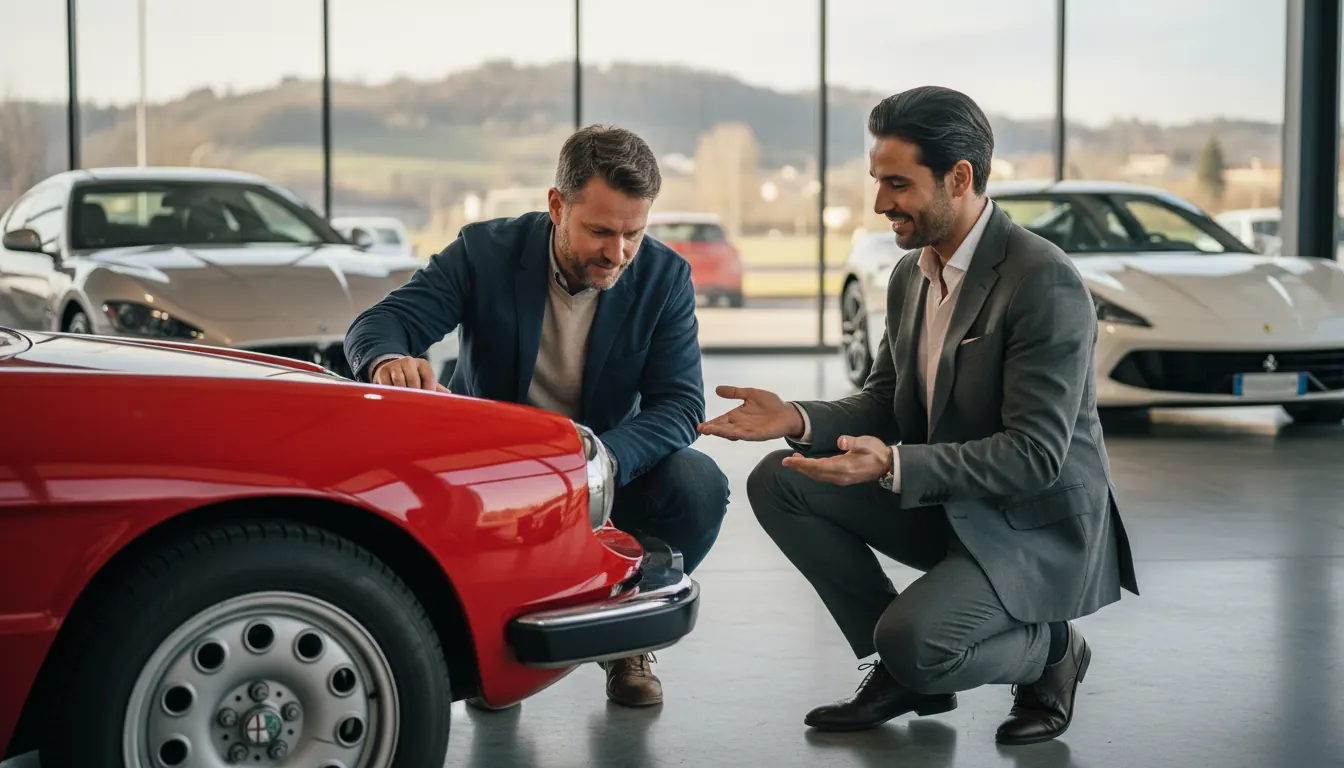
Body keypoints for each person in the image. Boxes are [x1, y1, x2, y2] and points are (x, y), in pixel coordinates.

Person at [698, 86, 1138, 745]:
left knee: (916, 641)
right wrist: (793, 417)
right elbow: (883, 403)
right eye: (878, 181)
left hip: (1029, 526)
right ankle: (904, 671)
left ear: (959, 178)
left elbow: (1036, 454)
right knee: (780, 479)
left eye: (897, 184)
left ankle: (1051, 652)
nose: (880, 203)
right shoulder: (911, 276)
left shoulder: (1041, 280)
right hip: (950, 503)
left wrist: (897, 464)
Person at [344, 124, 730, 708]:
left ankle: (625, 635)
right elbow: (378, 324)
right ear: (556, 205)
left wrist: (601, 459)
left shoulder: (663, 276)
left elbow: (680, 406)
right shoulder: (485, 252)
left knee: (699, 486)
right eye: (600, 230)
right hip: (495, 473)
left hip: (603, 466)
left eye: (633, 233)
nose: (617, 253)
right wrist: (389, 358)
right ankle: (489, 644)